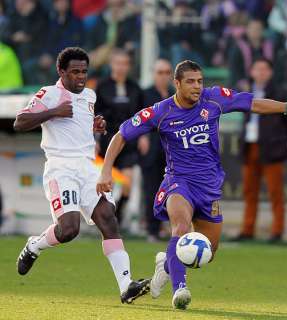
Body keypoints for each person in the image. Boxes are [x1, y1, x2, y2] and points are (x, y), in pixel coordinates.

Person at [95, 60, 287, 310]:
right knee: (180, 227)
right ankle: (180, 290)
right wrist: (106, 170)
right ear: (176, 84)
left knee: (206, 252)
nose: (197, 86)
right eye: (190, 81)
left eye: (200, 81)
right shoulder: (161, 111)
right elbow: (122, 135)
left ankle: (166, 267)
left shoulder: (214, 99)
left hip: (209, 186)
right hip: (178, 182)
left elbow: (252, 103)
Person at [13, 47, 149, 304]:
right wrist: (53, 112)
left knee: (108, 218)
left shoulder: (89, 95)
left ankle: (126, 285)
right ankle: (34, 246)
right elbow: (20, 122)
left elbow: (79, 128)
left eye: (84, 71)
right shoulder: (49, 94)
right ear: (61, 71)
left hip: (88, 167)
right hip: (60, 168)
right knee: (69, 230)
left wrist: (95, 127)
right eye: (75, 72)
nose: (80, 77)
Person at [233, 58, 287, 243]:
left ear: (270, 72)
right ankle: (247, 229)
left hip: (272, 148)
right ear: (252, 71)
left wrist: (280, 139)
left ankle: (277, 230)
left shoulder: (281, 92)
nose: (261, 73)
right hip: (250, 146)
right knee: (249, 191)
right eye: (257, 69)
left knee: (275, 191)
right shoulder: (246, 92)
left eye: (264, 69)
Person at [95, 49, 144, 224]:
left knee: (127, 183)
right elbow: (94, 115)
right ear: (112, 65)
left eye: (125, 64)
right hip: (108, 140)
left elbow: (142, 114)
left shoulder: (135, 87)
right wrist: (95, 139)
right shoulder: (102, 86)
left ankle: (118, 215)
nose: (121, 67)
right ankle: (102, 218)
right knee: (107, 184)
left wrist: (143, 136)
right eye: (118, 63)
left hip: (128, 142)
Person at [140, 59, 174, 242]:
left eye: (167, 72)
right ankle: (152, 229)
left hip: (171, 149)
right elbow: (136, 121)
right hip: (152, 145)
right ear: (154, 74)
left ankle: (170, 227)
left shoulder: (174, 94)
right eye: (160, 72)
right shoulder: (145, 94)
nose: (163, 76)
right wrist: (141, 137)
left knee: (172, 189)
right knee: (151, 189)